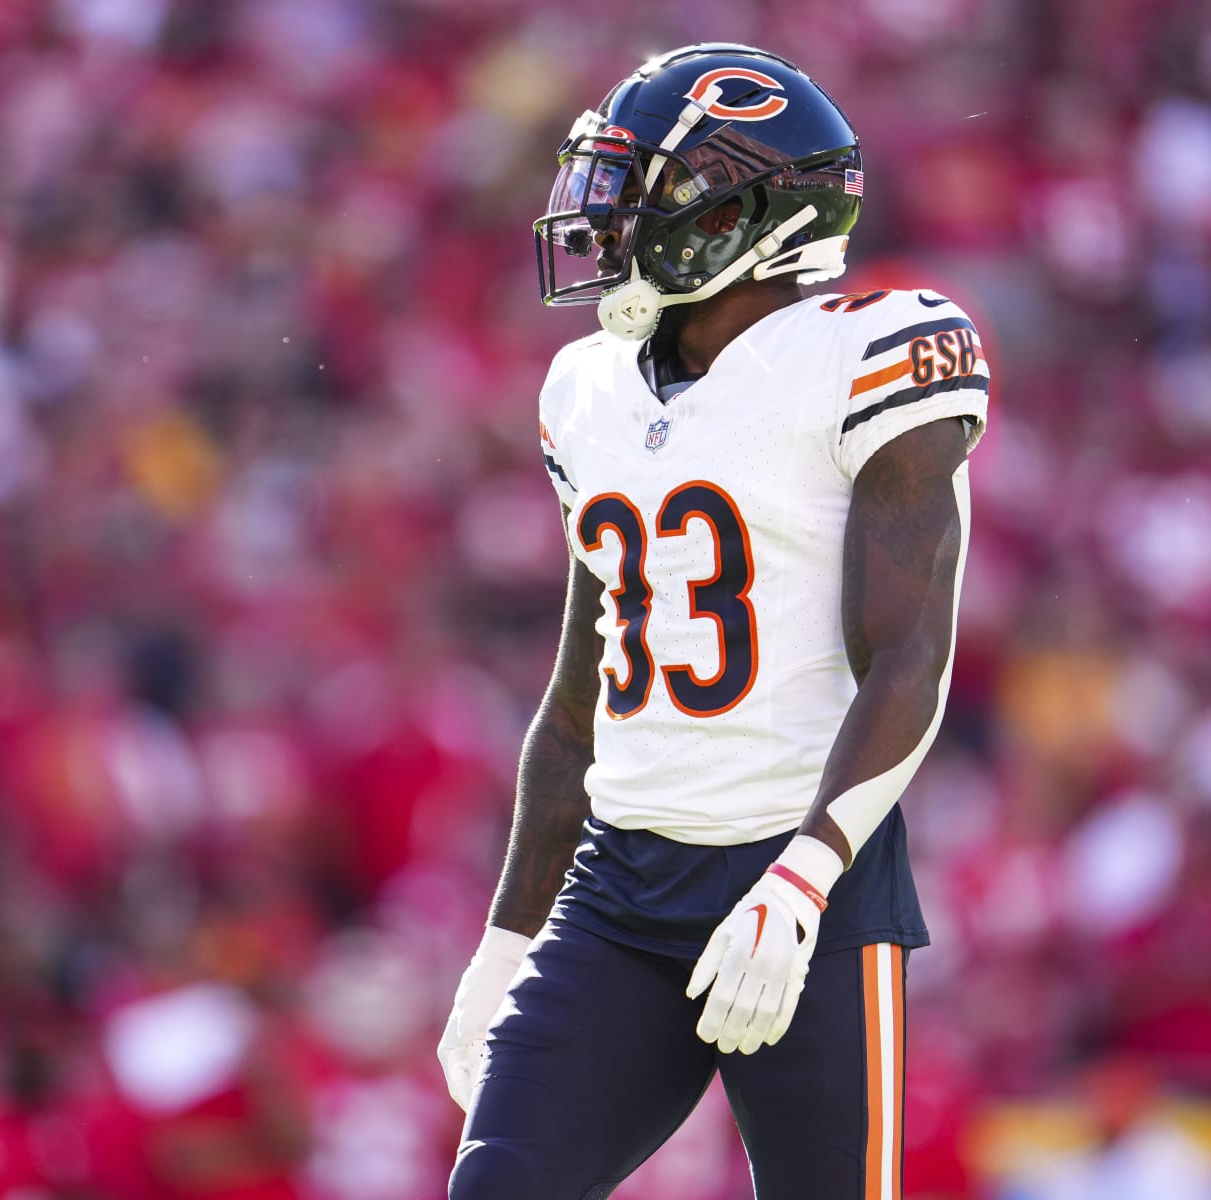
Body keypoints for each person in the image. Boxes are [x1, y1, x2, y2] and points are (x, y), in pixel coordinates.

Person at [437, 43, 991, 1200]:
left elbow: (913, 658)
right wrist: (504, 943)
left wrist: (803, 879)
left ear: (740, 213)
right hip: (620, 889)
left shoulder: (867, 350)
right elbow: (580, 706)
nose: (607, 215)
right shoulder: (587, 389)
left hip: (807, 889)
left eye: (640, 190)